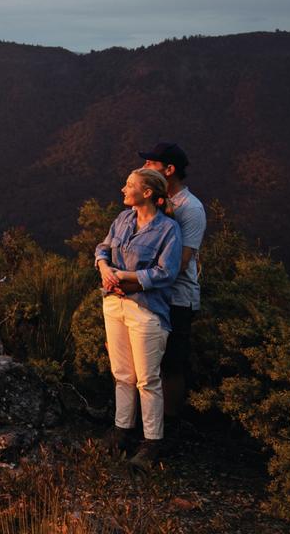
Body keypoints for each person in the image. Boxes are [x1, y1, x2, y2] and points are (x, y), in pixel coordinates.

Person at [94, 168, 183, 467]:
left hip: (146, 310)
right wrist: (105, 268)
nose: (123, 188)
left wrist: (125, 275)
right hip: (114, 304)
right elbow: (103, 248)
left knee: (147, 379)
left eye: (129, 185)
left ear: (147, 193)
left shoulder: (168, 229)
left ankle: (151, 443)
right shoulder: (122, 220)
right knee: (122, 374)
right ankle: (122, 431)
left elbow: (166, 272)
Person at [139, 142, 206, 422]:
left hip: (177, 297)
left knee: (171, 365)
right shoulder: (152, 200)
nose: (144, 168)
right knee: (145, 364)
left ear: (169, 170)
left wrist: (135, 280)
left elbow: (180, 263)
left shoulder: (190, 209)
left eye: (150, 164)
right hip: (151, 293)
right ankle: (141, 420)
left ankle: (170, 424)